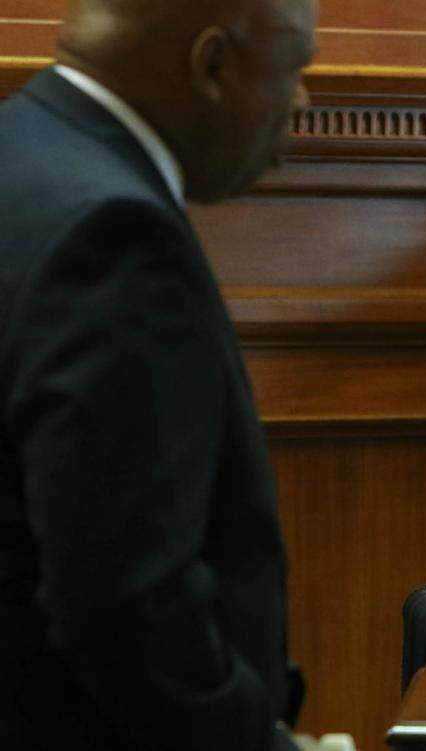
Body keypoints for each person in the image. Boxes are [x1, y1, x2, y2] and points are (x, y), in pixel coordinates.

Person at [0, 1, 317, 749]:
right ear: (212, 65)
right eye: (294, 68)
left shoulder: (19, 151)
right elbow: (127, 604)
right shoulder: (115, 236)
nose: (301, 101)